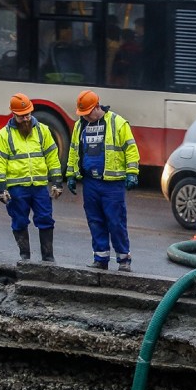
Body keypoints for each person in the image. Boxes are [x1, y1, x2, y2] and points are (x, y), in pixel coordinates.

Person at [66, 90, 140, 272]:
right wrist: (70, 174)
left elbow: (130, 149)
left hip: (112, 184)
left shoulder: (117, 123)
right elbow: (74, 150)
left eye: (88, 113)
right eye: (82, 114)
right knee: (95, 221)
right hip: (91, 182)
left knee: (115, 222)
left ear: (97, 107)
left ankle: (124, 259)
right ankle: (100, 258)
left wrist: (132, 172)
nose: (86, 117)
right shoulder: (80, 126)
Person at [0, 93, 64, 262]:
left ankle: (48, 258)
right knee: (19, 221)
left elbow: (52, 158)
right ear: (13, 114)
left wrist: (57, 183)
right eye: (21, 116)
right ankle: (25, 257)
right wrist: (1, 188)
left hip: (39, 186)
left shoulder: (42, 131)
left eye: (28, 114)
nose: (26, 119)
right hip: (17, 189)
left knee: (46, 219)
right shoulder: (4, 135)